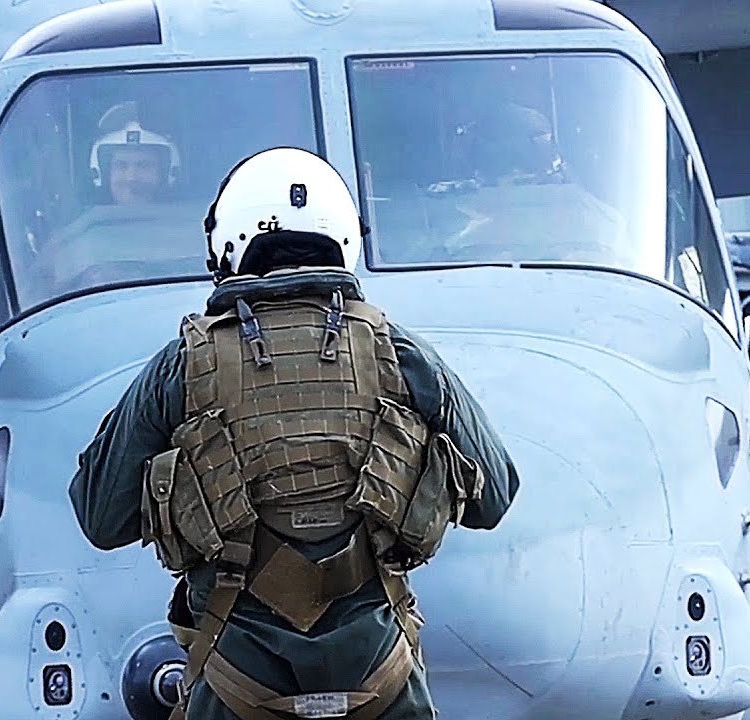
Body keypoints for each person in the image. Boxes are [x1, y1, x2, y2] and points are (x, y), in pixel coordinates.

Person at [68, 146, 520, 720]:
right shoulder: (399, 354)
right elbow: (495, 495)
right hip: (381, 684)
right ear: (344, 241)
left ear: (228, 243)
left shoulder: (183, 364)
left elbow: (100, 518)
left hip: (234, 687)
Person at [88, 100, 182, 206]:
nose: (131, 178)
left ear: (166, 172)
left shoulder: (188, 220)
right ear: (104, 173)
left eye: (144, 166)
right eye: (121, 166)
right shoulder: (84, 221)